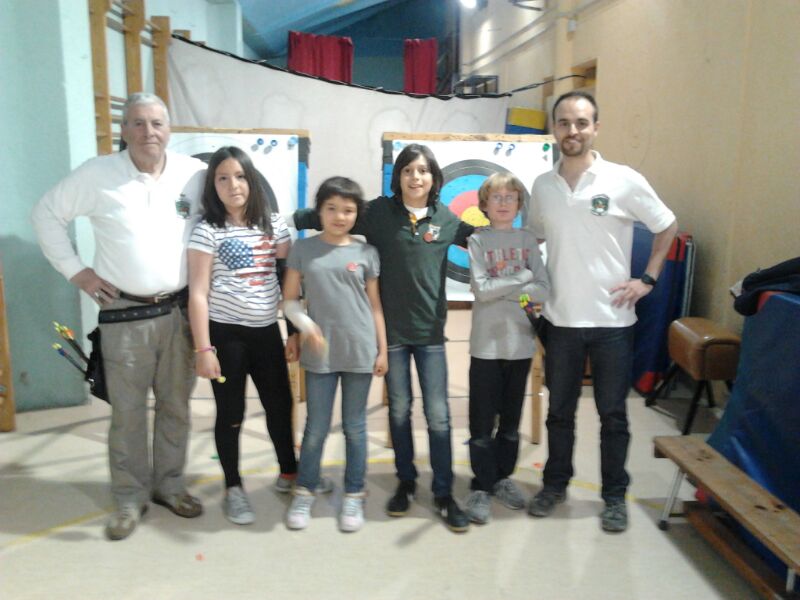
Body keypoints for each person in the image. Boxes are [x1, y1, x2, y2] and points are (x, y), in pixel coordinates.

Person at [32, 92, 207, 540]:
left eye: (157, 123)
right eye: (139, 123)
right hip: (124, 314)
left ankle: (170, 486)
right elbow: (46, 214)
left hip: (179, 312)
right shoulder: (98, 174)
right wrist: (77, 271)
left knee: (176, 406)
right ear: (124, 130)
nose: (149, 132)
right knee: (128, 413)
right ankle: (129, 498)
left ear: (169, 129)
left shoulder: (194, 175)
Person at [292, 144, 473, 532]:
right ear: (398, 177)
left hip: (430, 334)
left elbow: (480, 238)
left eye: (423, 171)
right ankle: (406, 483)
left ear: (434, 177)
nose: (415, 177)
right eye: (407, 170)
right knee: (399, 410)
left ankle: (443, 492)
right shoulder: (377, 213)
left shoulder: (447, 219)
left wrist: (515, 239)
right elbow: (323, 214)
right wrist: (281, 220)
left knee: (439, 416)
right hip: (391, 335)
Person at [526, 91, 678, 532]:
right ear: (554, 128)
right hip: (560, 320)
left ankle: (614, 496)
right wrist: (529, 285)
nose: (572, 131)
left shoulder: (623, 179)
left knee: (613, 415)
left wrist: (647, 279)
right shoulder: (543, 186)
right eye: (563, 122)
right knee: (559, 412)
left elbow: (667, 224)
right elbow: (535, 238)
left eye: (581, 122)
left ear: (596, 127)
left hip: (613, 321)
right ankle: (555, 485)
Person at [187, 145, 310, 526]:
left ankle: (289, 472)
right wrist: (204, 348)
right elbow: (198, 293)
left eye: (239, 176)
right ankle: (234, 487)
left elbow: (288, 284)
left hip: (266, 334)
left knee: (280, 405)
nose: (233, 185)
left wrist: (293, 332)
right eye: (222, 178)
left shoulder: (274, 225)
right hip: (226, 337)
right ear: (213, 186)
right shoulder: (207, 230)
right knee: (231, 413)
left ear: (251, 180)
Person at [282, 177, 388, 533]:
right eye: (331, 208)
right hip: (319, 353)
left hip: (359, 349)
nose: (339, 216)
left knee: (355, 429)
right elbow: (290, 300)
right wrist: (303, 326)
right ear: (319, 211)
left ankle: (354, 493)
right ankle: (305, 489)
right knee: (316, 428)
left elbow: (375, 306)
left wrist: (382, 350)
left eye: (348, 210)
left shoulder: (367, 253)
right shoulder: (303, 249)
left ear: (357, 214)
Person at [463, 172, 550, 525]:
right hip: (486, 345)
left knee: (511, 423)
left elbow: (544, 289)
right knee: (482, 423)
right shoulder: (477, 240)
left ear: (519, 204)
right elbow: (481, 290)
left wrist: (506, 286)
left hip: (520, 345)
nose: (503, 203)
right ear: (484, 205)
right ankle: (481, 485)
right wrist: (522, 278)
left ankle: (501, 478)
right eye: (496, 197)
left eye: (509, 197)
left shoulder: (528, 240)